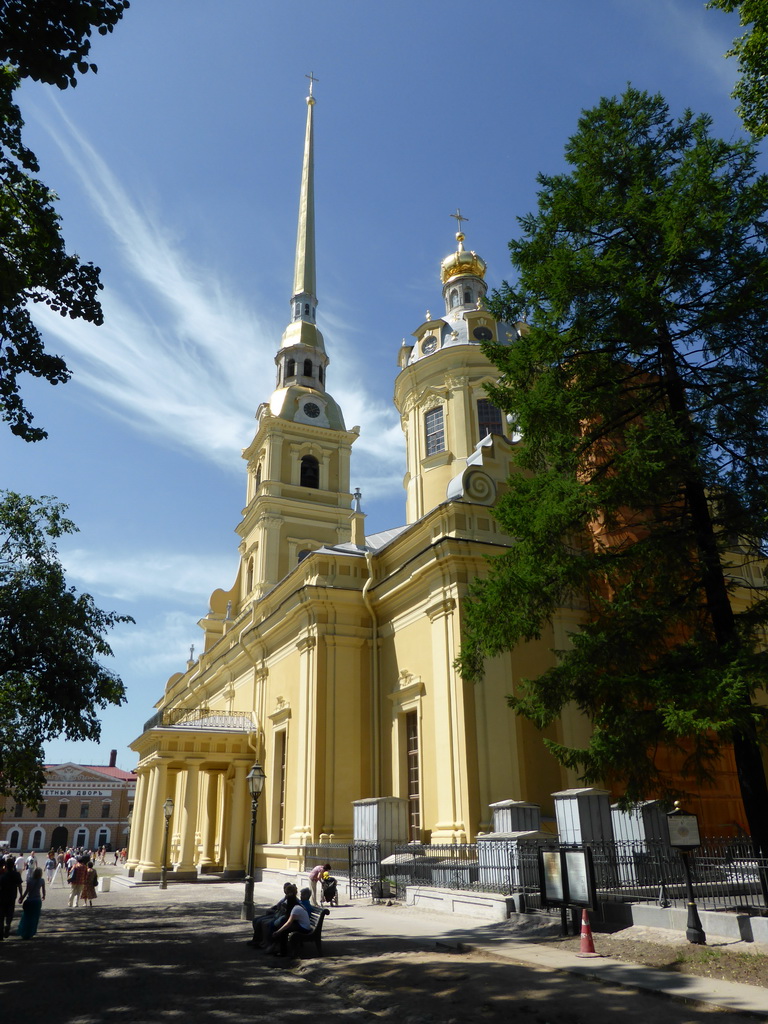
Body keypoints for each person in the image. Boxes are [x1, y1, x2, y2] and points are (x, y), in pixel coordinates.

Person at [248, 882, 296, 948]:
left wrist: (277, 910)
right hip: (277, 914)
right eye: (284, 888)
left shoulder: (291, 900)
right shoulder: (285, 898)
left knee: (262, 922)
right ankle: (258, 940)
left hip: (279, 916)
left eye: (286, 889)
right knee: (256, 920)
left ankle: (265, 942)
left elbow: (286, 912)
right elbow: (278, 906)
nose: (284, 890)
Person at [270, 892, 312, 956]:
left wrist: (278, 932)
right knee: (282, 924)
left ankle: (283, 952)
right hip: (301, 925)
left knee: (284, 930)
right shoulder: (298, 906)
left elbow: (289, 923)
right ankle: (278, 948)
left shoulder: (296, 909)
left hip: (304, 928)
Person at [17, 867, 45, 939]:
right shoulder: (42, 881)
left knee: (26, 917)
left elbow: (27, 891)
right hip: (37, 900)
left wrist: (22, 898)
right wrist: (43, 896)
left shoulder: (29, 880)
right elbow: (43, 890)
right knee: (35, 917)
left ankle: (24, 932)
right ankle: (32, 932)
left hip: (30, 900)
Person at [0, 856, 23, 939]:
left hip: (2, 897)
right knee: (10, 913)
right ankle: (8, 925)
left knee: (1, 915)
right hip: (12, 896)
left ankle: (1, 932)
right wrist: (21, 895)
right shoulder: (16, 874)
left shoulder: (3, 875)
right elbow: (19, 885)